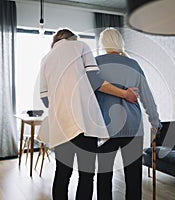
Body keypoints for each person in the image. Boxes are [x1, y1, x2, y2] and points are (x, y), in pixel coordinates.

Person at [39, 29, 138, 200]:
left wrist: (60, 107)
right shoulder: (81, 46)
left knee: (62, 174)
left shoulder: (46, 58)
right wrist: (124, 94)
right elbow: (95, 80)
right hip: (83, 123)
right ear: (73, 38)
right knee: (86, 174)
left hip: (60, 125)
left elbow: (45, 98)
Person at [95, 27, 162, 200]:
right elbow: (147, 97)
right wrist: (155, 122)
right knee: (133, 177)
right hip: (133, 127)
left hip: (106, 128)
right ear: (120, 42)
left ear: (103, 43)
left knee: (104, 175)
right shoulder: (133, 64)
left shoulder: (96, 63)